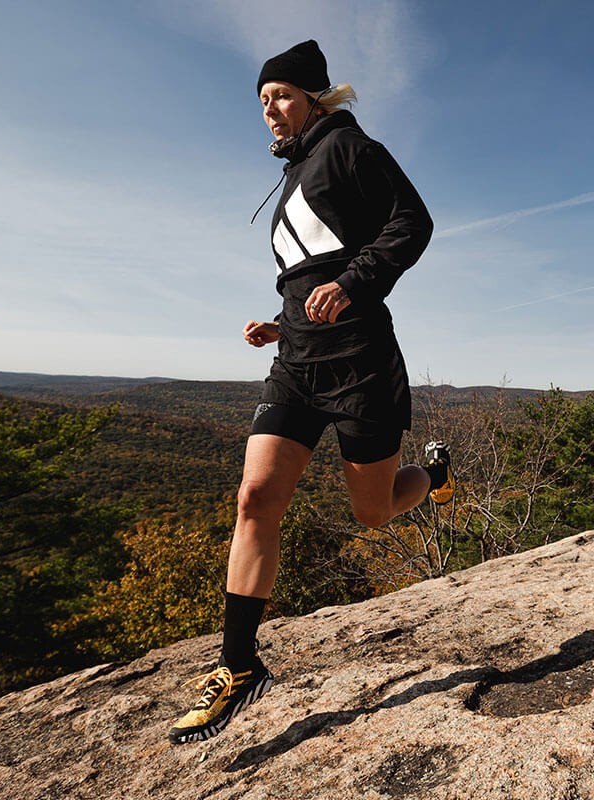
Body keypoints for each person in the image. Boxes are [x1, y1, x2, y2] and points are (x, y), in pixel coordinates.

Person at [168, 40, 454, 745]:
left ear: (317, 99)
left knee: (374, 513)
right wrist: (280, 322)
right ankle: (238, 667)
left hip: (360, 363)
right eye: (263, 101)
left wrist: (354, 285)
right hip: (297, 361)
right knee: (255, 496)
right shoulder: (296, 172)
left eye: (283, 96)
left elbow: (411, 223)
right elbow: (310, 271)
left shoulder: (353, 149)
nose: (270, 109)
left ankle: (438, 474)